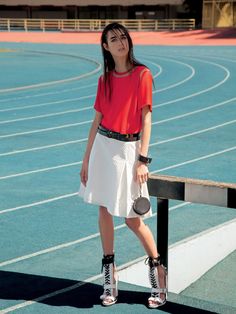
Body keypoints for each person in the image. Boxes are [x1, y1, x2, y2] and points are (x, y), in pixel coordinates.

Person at [79, 22, 167, 308]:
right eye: (113, 39)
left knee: (132, 218)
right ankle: (109, 278)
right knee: (104, 209)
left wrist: (143, 159)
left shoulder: (143, 74)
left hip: (129, 150)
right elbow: (96, 121)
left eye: (123, 37)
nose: (120, 42)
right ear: (105, 46)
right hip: (103, 148)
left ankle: (158, 273)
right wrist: (86, 159)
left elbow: (146, 119)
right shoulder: (104, 80)